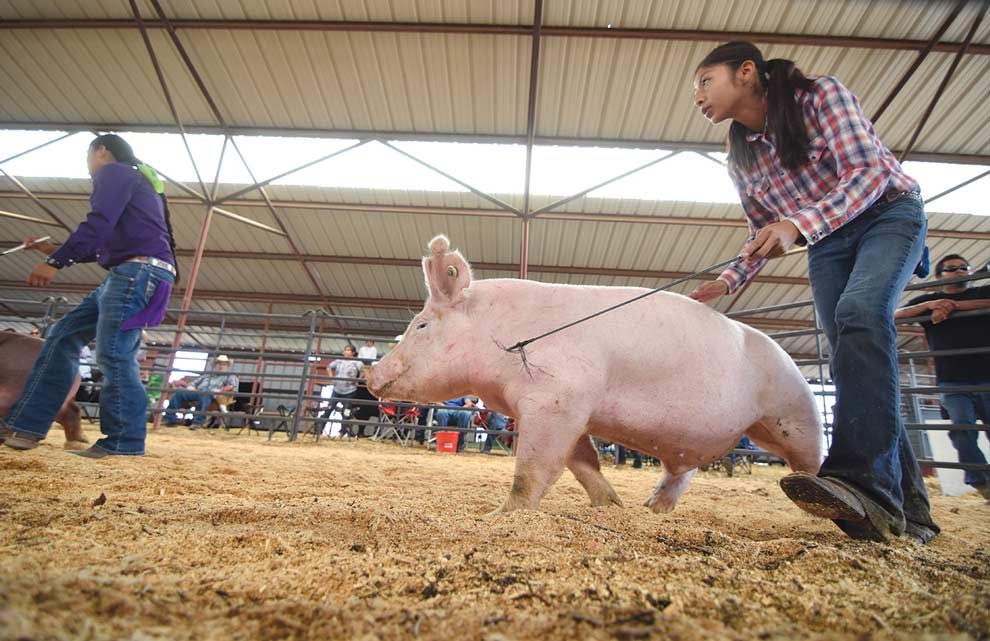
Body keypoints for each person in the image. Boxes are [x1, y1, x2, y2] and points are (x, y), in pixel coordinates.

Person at [687, 41, 938, 543]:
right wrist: (729, 279)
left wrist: (797, 225)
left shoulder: (820, 95)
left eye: (705, 81)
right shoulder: (741, 156)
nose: (698, 97)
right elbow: (762, 230)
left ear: (746, 71)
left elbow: (868, 172)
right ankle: (909, 513)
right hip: (826, 242)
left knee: (860, 314)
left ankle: (859, 482)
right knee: (853, 354)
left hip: (888, 214)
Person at [0, 134, 178, 458]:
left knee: (114, 353)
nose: (88, 164)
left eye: (88, 155)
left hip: (135, 272)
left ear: (101, 151)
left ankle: (124, 442)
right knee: (62, 336)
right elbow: (99, 246)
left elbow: (98, 223)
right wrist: (50, 249)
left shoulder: (115, 172)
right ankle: (23, 427)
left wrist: (55, 262)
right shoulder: (138, 182)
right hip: (134, 272)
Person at [897, 255, 990, 501]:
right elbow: (896, 314)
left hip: (987, 375)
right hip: (952, 379)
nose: (959, 271)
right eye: (951, 269)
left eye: (964, 268)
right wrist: (932, 305)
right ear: (939, 275)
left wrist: (954, 306)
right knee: (962, 429)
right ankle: (981, 481)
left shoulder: (983, 290)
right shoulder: (928, 301)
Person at [164, 355, 238, 429]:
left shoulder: (230, 376)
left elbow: (233, 388)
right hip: (198, 392)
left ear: (227, 366)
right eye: (219, 364)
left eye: (224, 364)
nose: (221, 366)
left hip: (213, 396)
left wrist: (220, 390)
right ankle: (170, 419)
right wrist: (191, 386)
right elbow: (194, 383)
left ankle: (198, 422)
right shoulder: (207, 375)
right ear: (215, 365)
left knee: (205, 395)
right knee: (179, 392)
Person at [323, 345, 364, 435]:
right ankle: (320, 429)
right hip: (337, 390)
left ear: (353, 353)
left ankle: (343, 431)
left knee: (346, 412)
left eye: (348, 350)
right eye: (346, 350)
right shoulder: (339, 361)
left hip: (350, 391)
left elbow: (364, 371)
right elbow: (329, 367)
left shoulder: (357, 362)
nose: (346, 352)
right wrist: (331, 377)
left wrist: (358, 379)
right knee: (329, 409)